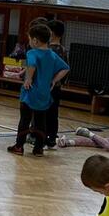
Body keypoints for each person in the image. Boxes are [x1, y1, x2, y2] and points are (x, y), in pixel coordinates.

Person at [7, 22, 69, 157]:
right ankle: (38, 148)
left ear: (35, 40)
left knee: (25, 119)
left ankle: (19, 146)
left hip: (30, 93)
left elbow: (32, 65)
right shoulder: (52, 54)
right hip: (44, 93)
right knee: (41, 121)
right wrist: (54, 80)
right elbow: (65, 68)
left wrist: (28, 79)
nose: (29, 42)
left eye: (30, 39)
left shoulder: (32, 52)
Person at [44, 18, 68, 149]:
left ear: (51, 33)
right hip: (57, 88)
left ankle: (40, 137)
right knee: (53, 114)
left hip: (46, 87)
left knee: (43, 113)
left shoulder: (48, 50)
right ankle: (52, 138)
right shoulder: (63, 49)